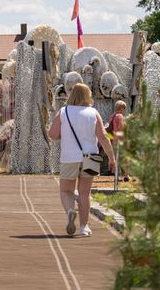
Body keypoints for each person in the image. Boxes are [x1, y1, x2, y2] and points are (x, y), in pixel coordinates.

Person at [47, 83, 115, 237]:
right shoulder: (93, 113)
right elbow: (103, 137)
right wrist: (111, 158)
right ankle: (84, 227)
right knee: (85, 193)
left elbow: (53, 134)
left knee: (66, 191)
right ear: (87, 95)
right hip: (91, 156)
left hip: (69, 156)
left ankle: (70, 211)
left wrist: (64, 135)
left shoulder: (63, 112)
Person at [106, 100, 128, 180]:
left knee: (116, 158)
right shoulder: (120, 116)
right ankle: (126, 175)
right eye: (124, 108)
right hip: (120, 140)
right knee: (124, 157)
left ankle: (117, 175)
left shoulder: (112, 116)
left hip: (113, 139)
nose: (124, 110)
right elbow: (121, 129)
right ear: (121, 108)